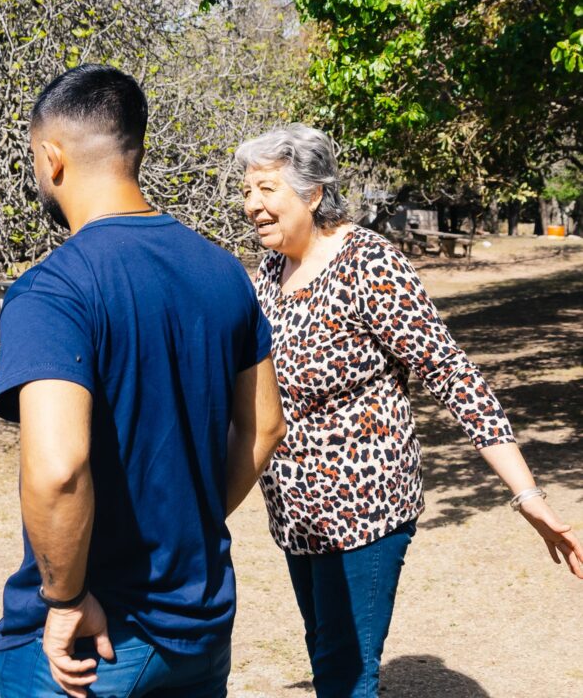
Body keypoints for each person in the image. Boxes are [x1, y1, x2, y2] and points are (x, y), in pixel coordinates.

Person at [235, 123, 583, 698]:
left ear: (313, 192)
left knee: (346, 675)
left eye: (267, 189)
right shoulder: (270, 273)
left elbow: (454, 377)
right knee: (327, 654)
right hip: (296, 517)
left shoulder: (369, 265)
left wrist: (528, 497)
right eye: (248, 191)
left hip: (364, 513)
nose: (252, 205)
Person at [0, 64, 285, 698]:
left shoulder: (53, 291)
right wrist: (189, 517)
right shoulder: (223, 273)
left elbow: (59, 469)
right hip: (200, 634)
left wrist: (65, 598)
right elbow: (264, 425)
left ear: (52, 157)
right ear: (137, 151)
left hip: (93, 645)